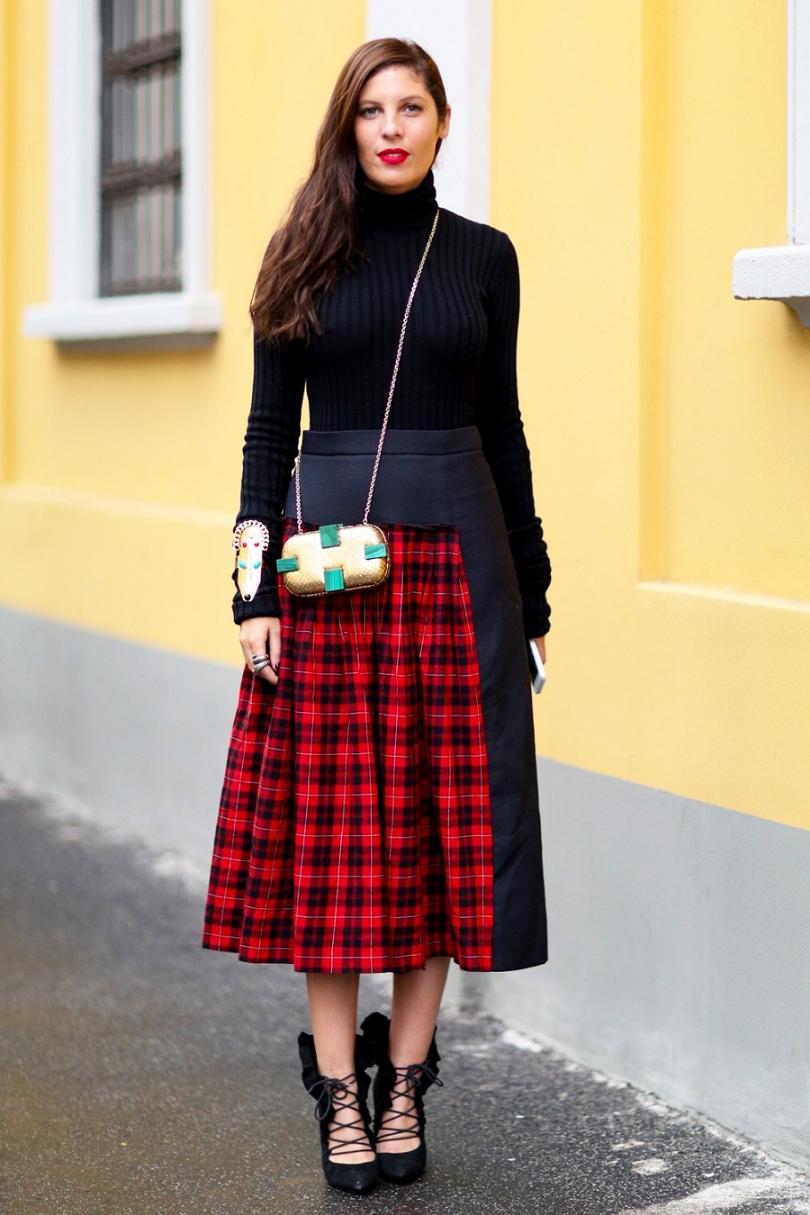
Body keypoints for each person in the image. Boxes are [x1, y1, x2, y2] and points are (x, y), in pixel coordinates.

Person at [201, 36, 552, 1194]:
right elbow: (267, 434)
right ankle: (339, 1091)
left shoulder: (485, 259)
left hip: (460, 568)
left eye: (411, 107)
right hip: (331, 580)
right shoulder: (301, 252)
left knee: (439, 841)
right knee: (339, 847)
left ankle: (406, 1084)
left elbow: (504, 428)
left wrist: (534, 591)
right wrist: (250, 587)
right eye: (371, 110)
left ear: (444, 122)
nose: (392, 128)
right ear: (346, 127)